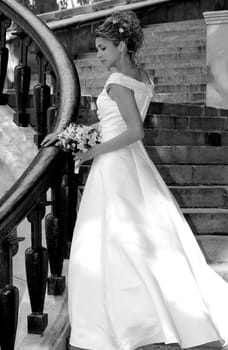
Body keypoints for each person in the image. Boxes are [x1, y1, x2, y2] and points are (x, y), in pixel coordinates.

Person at [41, 10, 228, 350]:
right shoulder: (143, 76)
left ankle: (128, 318)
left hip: (116, 164)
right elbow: (113, 124)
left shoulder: (115, 82)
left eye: (102, 48)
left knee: (112, 239)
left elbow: (134, 131)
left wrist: (92, 152)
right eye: (96, 48)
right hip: (130, 162)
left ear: (122, 45)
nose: (98, 55)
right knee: (138, 238)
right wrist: (69, 136)